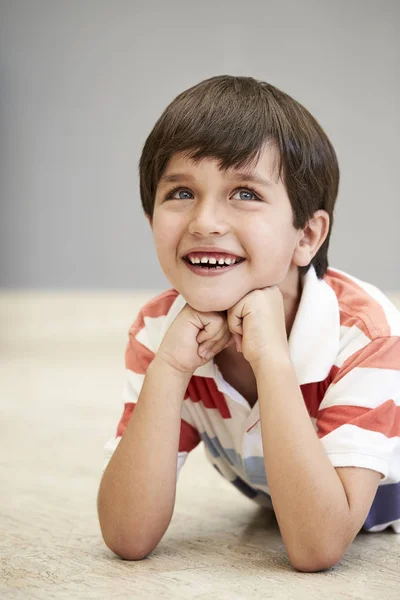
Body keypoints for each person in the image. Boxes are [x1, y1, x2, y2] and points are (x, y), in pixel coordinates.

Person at [97, 75, 400, 572]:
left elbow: (317, 546)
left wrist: (272, 361)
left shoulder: (365, 336)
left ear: (307, 235)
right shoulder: (160, 333)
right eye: (180, 193)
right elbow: (127, 535)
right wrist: (171, 368)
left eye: (244, 193)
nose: (204, 222)